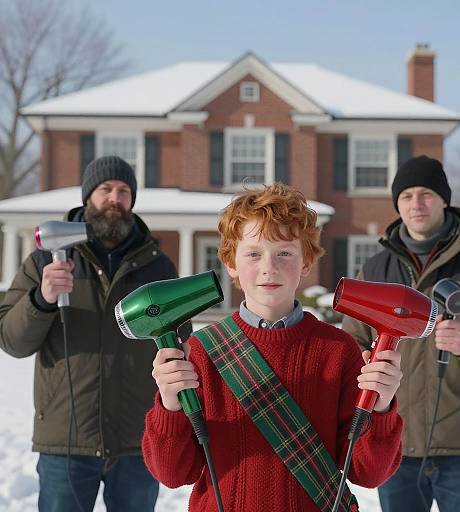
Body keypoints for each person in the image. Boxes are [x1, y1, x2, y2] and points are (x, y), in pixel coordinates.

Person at [142, 182, 404, 512]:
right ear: (231, 264)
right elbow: (173, 472)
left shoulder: (339, 351)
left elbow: (368, 473)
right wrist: (170, 404)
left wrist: (380, 407)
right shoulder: (201, 352)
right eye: (253, 253)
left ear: (306, 263)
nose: (269, 266)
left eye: (285, 253)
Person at [0, 155, 191, 512]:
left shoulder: (156, 264)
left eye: (123, 191)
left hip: (137, 438)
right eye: (105, 189)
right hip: (67, 439)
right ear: (89, 196)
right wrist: (41, 299)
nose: (114, 199)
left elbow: (181, 342)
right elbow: (12, 341)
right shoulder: (47, 259)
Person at [342, 155, 460, 512]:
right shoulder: (375, 268)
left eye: (426, 194)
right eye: (406, 196)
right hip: (396, 444)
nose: (416, 204)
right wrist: (362, 362)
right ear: (397, 204)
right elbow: (351, 343)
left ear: (445, 199)